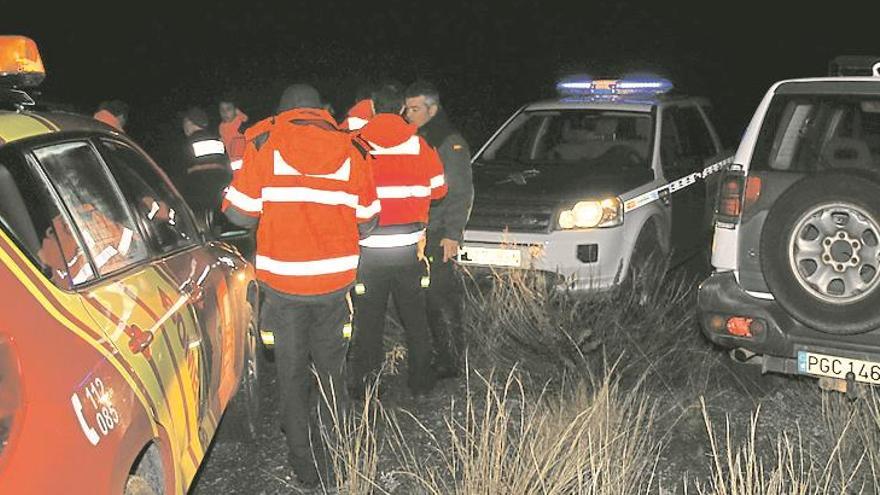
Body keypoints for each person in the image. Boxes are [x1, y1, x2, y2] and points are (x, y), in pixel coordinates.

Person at [222, 84, 379, 488]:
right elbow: (369, 220)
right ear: (321, 110)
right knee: (331, 372)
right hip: (333, 286)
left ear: (283, 111)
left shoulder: (263, 143)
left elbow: (238, 215)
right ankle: (338, 458)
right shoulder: (354, 149)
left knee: (290, 373)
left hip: (284, 286)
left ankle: (303, 463)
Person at [350, 85, 447, 397]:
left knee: (368, 321)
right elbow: (439, 191)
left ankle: (369, 388)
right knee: (415, 319)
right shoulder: (420, 145)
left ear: (374, 108)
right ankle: (421, 383)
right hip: (408, 250)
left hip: (368, 251)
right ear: (402, 110)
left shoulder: (357, 144)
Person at [404, 81, 474, 378]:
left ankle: (452, 360)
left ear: (433, 109)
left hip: (439, 232)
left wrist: (451, 234)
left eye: (415, 108)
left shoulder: (448, 141)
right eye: (407, 108)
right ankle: (440, 356)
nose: (408, 114)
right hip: (423, 231)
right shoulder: (420, 137)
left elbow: (460, 192)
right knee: (428, 299)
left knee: (441, 298)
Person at [181, 106, 232, 230]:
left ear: (189, 123)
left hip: (196, 202)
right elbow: (225, 167)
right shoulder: (219, 142)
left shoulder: (187, 145)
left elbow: (179, 174)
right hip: (219, 202)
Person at [218, 97, 249, 173]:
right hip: (232, 170)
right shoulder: (221, 128)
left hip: (248, 167)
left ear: (236, 110)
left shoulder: (243, 123)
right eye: (222, 110)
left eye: (228, 109)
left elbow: (246, 120)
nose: (225, 113)